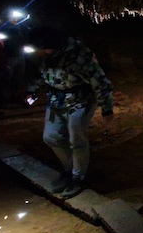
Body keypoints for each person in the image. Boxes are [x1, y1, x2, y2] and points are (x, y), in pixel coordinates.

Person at [24, 27, 114, 199]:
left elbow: (100, 82)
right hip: (56, 100)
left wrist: (106, 107)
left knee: (77, 140)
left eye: (41, 50)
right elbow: (42, 75)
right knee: (51, 137)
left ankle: (79, 178)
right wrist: (32, 90)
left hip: (80, 101)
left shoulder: (79, 56)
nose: (39, 53)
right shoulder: (46, 56)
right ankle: (70, 170)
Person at [0, 9, 32, 103]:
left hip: (20, 55)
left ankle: (15, 95)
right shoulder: (5, 28)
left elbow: (26, 33)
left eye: (16, 18)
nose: (15, 19)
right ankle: (3, 97)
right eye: (13, 17)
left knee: (18, 77)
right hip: (10, 56)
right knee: (7, 77)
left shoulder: (19, 28)